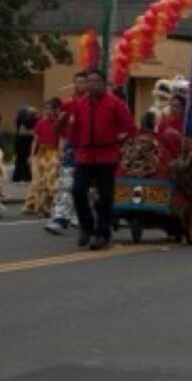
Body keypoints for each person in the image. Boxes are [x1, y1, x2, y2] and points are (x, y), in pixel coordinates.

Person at [66, 69, 136, 251]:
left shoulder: (115, 104)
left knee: (105, 197)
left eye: (96, 81)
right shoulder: (80, 104)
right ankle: (87, 226)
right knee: (77, 191)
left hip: (107, 155)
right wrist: (72, 144)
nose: (92, 85)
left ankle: (102, 233)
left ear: (104, 84)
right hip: (85, 155)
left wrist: (118, 139)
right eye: (89, 81)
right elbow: (73, 129)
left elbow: (130, 127)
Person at [46, 72, 88, 235]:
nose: (80, 85)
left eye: (83, 82)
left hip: (90, 150)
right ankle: (60, 218)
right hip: (72, 149)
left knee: (85, 187)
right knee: (65, 183)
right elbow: (60, 131)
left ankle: (79, 216)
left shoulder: (93, 103)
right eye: (77, 82)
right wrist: (61, 148)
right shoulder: (68, 104)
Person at [22, 99, 61, 217]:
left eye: (50, 109)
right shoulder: (40, 123)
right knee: (38, 180)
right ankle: (36, 204)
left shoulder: (59, 123)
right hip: (42, 153)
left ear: (55, 110)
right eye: (46, 109)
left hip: (54, 153)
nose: (47, 111)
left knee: (50, 180)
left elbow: (62, 139)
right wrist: (31, 155)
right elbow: (35, 140)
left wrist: (60, 154)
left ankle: (47, 206)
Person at [155, 94, 186, 160]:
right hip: (164, 160)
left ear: (183, 109)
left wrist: (179, 136)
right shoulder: (163, 122)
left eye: (177, 106)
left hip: (180, 160)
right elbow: (157, 141)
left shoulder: (186, 125)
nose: (174, 109)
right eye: (172, 106)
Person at [12, 106, 37, 182]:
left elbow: (20, 131)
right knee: (25, 159)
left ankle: (18, 175)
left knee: (20, 159)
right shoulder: (28, 121)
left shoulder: (20, 121)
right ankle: (26, 176)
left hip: (21, 141)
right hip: (27, 141)